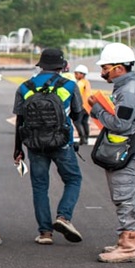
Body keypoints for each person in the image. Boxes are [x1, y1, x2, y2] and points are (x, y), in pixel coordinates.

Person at [13, 48, 85, 246]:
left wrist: (17, 149)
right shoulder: (69, 85)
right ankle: (63, 217)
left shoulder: (24, 87)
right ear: (62, 66)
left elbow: (20, 120)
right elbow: (78, 114)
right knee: (73, 179)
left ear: (40, 65)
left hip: (34, 144)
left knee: (39, 187)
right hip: (62, 142)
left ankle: (45, 233)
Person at [88, 42, 135, 263]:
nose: (102, 71)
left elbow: (121, 125)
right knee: (124, 196)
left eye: (105, 67)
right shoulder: (125, 88)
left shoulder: (129, 91)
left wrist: (95, 109)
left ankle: (129, 248)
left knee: (125, 197)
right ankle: (124, 240)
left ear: (118, 68)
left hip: (126, 153)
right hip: (122, 152)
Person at [67, 64, 93, 144]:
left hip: (82, 105)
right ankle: (86, 138)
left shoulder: (80, 83)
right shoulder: (87, 82)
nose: (75, 75)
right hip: (88, 106)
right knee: (84, 122)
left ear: (82, 74)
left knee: (77, 122)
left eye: (76, 73)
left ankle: (83, 138)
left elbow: (77, 95)